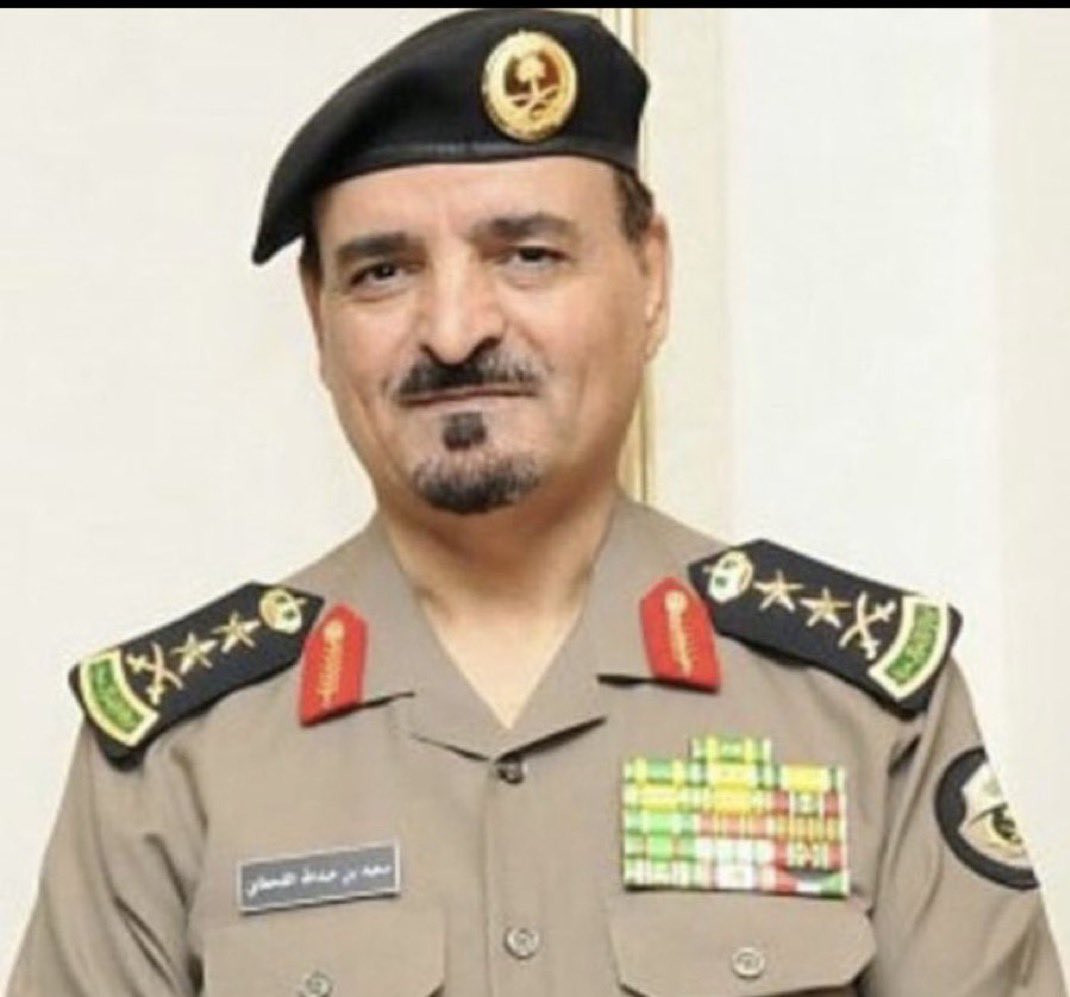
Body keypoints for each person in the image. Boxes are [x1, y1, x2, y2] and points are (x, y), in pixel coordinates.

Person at [7, 8, 1066, 995]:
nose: (454, 328)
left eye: (527, 255)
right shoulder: (179, 756)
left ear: (650, 279)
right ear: (318, 319)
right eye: (382, 273)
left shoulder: (856, 711)